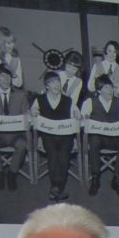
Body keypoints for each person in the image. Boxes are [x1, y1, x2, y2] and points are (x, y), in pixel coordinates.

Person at [32, 69, 80, 203]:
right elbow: (33, 121)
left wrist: (78, 115)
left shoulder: (68, 100)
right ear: (46, 86)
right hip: (48, 136)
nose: (56, 85)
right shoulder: (39, 100)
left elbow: (76, 120)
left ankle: (56, 188)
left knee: (63, 155)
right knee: (53, 154)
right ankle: (57, 186)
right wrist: (34, 113)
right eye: (52, 82)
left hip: (66, 136)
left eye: (57, 81)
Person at [83, 75, 119, 197]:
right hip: (99, 138)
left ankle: (117, 179)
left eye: (111, 87)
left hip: (115, 138)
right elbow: (83, 123)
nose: (110, 90)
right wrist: (86, 122)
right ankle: (95, 178)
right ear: (98, 90)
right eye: (106, 87)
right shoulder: (89, 102)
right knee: (93, 140)